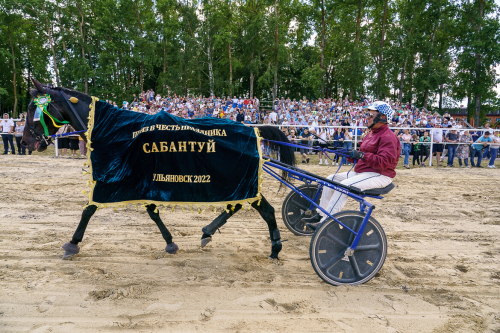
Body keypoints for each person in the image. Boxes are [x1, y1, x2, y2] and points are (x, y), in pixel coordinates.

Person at [303, 101, 400, 229]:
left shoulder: (389, 137)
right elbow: (362, 157)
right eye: (367, 114)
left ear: (382, 117)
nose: (367, 117)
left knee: (344, 186)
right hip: (364, 172)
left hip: (380, 175)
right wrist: (350, 154)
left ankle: (327, 222)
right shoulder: (370, 134)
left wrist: (361, 155)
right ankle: (321, 214)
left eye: (371, 115)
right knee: (330, 179)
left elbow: (385, 162)